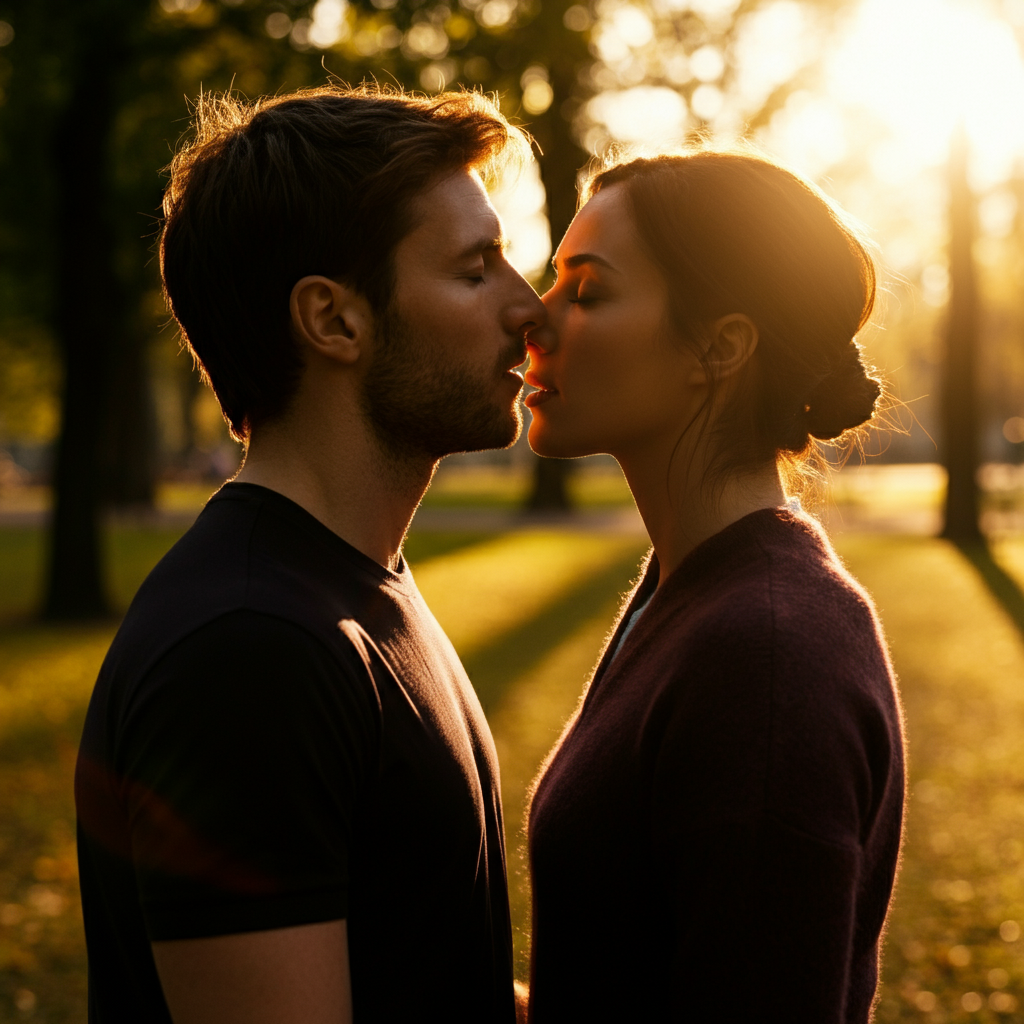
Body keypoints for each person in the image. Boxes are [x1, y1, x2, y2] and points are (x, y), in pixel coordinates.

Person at [75, 85, 545, 1023]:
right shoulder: (250, 651)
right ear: (334, 320)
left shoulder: (354, 589)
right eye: (475, 269)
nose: (528, 309)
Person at [523, 149, 905, 1022]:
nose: (530, 321)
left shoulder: (766, 656)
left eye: (585, 292)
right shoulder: (695, 590)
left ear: (721, 347)